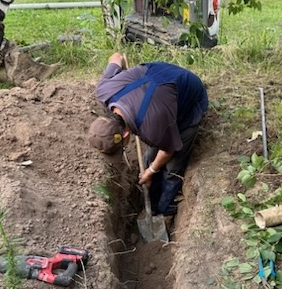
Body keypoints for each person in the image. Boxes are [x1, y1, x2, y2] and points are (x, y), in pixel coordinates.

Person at [88, 52, 209, 217]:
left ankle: (164, 208)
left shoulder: (153, 125)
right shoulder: (105, 90)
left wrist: (151, 171)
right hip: (161, 90)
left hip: (190, 99)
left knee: (172, 166)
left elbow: (168, 151)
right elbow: (116, 57)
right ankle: (151, 198)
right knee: (148, 159)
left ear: (125, 135)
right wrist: (150, 169)